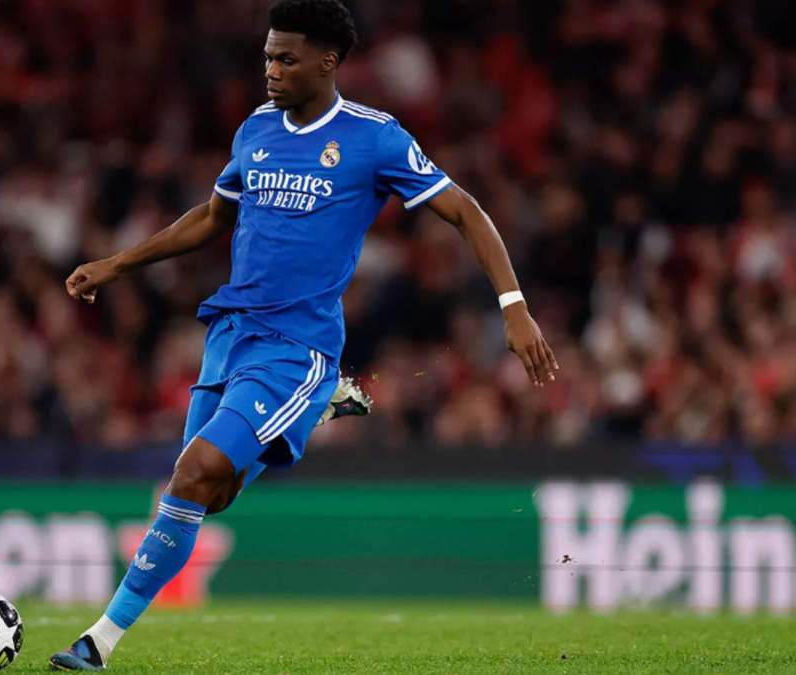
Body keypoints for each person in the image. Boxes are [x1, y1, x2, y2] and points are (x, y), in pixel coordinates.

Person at [50, 0, 558, 669]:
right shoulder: (256, 130)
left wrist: (513, 305)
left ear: (328, 60)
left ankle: (99, 641)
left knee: (194, 469)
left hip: (297, 348)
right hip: (230, 336)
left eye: (286, 58)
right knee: (210, 492)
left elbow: (464, 209)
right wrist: (117, 263)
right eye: (267, 56)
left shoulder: (373, 137)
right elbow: (210, 217)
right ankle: (320, 405)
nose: (272, 69)